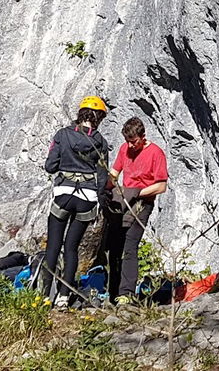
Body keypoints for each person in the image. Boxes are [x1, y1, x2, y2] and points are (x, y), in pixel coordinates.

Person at [41, 96, 112, 307]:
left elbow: (50, 166)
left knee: (53, 246)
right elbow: (102, 175)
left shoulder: (63, 135)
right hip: (87, 198)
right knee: (71, 248)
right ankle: (64, 296)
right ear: (98, 117)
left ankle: (44, 295)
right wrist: (100, 201)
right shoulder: (100, 142)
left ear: (81, 113)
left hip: (63, 193)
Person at [98, 117, 168, 303]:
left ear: (143, 137)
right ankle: (113, 292)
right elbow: (114, 174)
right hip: (123, 201)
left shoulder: (156, 153)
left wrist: (136, 193)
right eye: (127, 141)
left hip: (142, 203)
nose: (130, 145)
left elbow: (161, 186)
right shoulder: (124, 149)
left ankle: (126, 294)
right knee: (114, 247)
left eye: (134, 142)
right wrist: (105, 189)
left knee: (130, 246)